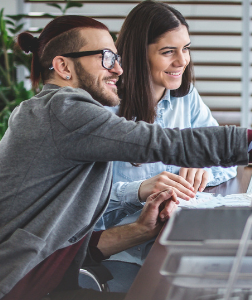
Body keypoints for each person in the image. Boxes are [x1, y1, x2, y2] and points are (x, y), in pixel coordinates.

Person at [0, 15, 252, 300]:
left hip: (35, 278)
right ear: (63, 67)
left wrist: (141, 230)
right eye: (106, 58)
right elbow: (174, 144)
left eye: (117, 58)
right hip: (1, 289)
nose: (119, 69)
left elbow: (61, 245)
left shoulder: (59, 114)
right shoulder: (63, 111)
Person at [87, 1, 231, 292]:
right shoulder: (102, 110)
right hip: (121, 255)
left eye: (186, 48)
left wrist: (201, 165)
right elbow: (83, 201)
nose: (182, 61)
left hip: (175, 240)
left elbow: (224, 153)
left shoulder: (184, 98)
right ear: (139, 55)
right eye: (168, 52)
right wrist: (140, 190)